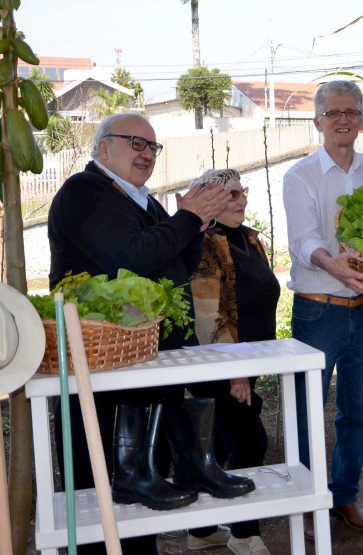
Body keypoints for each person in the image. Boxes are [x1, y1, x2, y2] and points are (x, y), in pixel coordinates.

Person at [48, 112, 253, 555]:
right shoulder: (85, 193)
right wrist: (186, 217)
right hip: (98, 367)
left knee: (143, 490)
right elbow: (131, 257)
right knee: (99, 494)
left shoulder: (141, 198)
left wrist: (196, 225)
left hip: (142, 362)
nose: (146, 154)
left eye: (152, 147)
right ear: (102, 148)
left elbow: (175, 261)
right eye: (135, 143)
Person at [282, 80, 363, 540]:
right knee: (308, 409)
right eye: (333, 113)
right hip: (318, 309)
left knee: (361, 411)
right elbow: (305, 241)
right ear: (318, 122)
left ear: (362, 122)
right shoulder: (300, 175)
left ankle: (343, 494)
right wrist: (335, 265)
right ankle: (308, 501)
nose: (342, 120)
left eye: (351, 112)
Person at [188, 168, 279, 555]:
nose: (241, 199)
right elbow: (209, 315)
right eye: (231, 194)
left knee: (220, 446)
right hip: (219, 365)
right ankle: (243, 532)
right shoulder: (204, 243)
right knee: (249, 442)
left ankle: (201, 529)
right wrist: (234, 371)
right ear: (209, 200)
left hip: (243, 365)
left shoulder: (247, 238)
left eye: (243, 192)